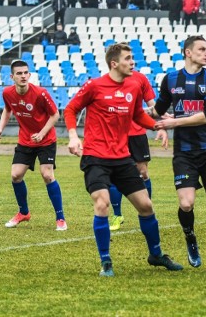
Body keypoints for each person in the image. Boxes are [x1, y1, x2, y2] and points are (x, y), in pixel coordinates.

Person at [64, 43, 182, 277]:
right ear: (114, 63)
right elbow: (70, 110)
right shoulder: (94, 85)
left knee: (146, 206)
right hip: (95, 157)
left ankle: (156, 255)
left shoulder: (134, 84)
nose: (133, 63)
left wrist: (156, 125)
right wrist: (73, 137)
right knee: (102, 204)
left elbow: (137, 114)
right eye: (128, 59)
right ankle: (106, 261)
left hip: (122, 157)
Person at [150, 35, 206, 274]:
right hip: (184, 153)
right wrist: (140, 115)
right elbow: (157, 111)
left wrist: (173, 124)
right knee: (186, 204)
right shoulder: (170, 79)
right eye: (201, 49)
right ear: (187, 52)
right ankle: (190, 238)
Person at [0, 60, 67, 231]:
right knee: (16, 175)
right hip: (25, 140)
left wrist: (41, 133)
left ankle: (60, 218)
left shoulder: (41, 93)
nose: (23, 76)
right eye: (19, 73)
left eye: (26, 73)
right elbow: (7, 109)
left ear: (30, 75)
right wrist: (0, 128)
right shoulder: (7, 93)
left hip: (46, 140)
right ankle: (24, 213)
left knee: (47, 175)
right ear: (12, 77)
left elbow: (55, 115)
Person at [108, 69, 162, 231]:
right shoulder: (109, 79)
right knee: (113, 174)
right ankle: (117, 215)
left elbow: (152, 105)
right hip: (117, 133)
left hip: (137, 133)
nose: (129, 62)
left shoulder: (141, 78)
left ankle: (148, 211)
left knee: (143, 172)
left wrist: (160, 123)